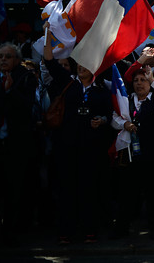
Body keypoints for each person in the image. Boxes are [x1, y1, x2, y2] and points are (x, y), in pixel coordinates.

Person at [42, 35, 113, 244]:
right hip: (66, 147)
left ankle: (90, 230)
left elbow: (109, 114)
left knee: (88, 190)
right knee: (66, 190)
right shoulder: (67, 83)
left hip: (91, 149)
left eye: (87, 64)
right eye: (80, 63)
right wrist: (47, 33)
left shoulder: (102, 91)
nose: (82, 66)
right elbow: (49, 61)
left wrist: (102, 120)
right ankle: (65, 231)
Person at [111, 66, 154, 240]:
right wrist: (125, 125)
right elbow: (115, 117)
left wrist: (152, 78)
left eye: (143, 80)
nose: (139, 84)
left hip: (152, 155)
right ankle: (122, 228)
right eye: (136, 80)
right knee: (127, 193)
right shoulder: (126, 100)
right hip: (131, 155)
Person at [0, 43, 38, 245]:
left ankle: (11, 231)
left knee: (13, 190)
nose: (3, 60)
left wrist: (10, 92)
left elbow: (28, 107)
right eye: (0, 56)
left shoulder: (25, 77)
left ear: (17, 59)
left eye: (8, 56)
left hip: (16, 144)